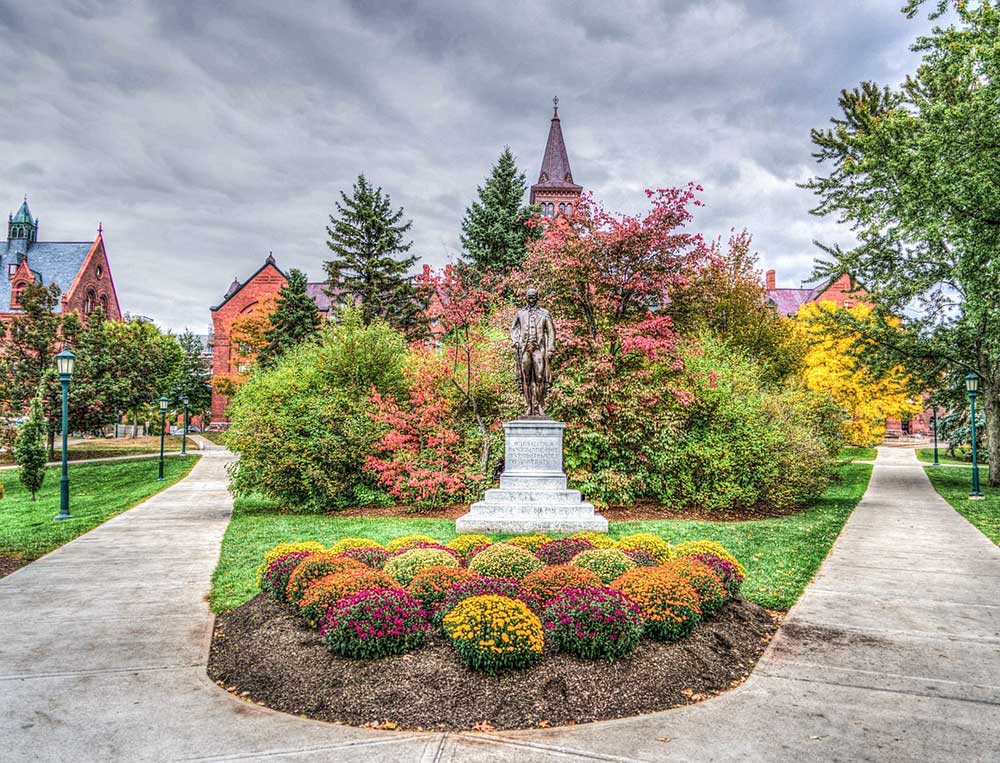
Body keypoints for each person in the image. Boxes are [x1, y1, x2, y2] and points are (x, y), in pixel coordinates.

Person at [510, 288, 556, 416]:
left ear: (537, 297)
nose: (531, 299)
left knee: (540, 376)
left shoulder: (544, 313)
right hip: (524, 348)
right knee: (526, 377)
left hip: (538, 348)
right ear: (526, 298)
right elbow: (513, 328)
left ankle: (539, 404)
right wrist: (515, 340)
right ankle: (529, 405)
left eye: (533, 296)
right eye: (529, 296)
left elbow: (551, 331)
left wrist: (551, 347)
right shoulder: (520, 313)